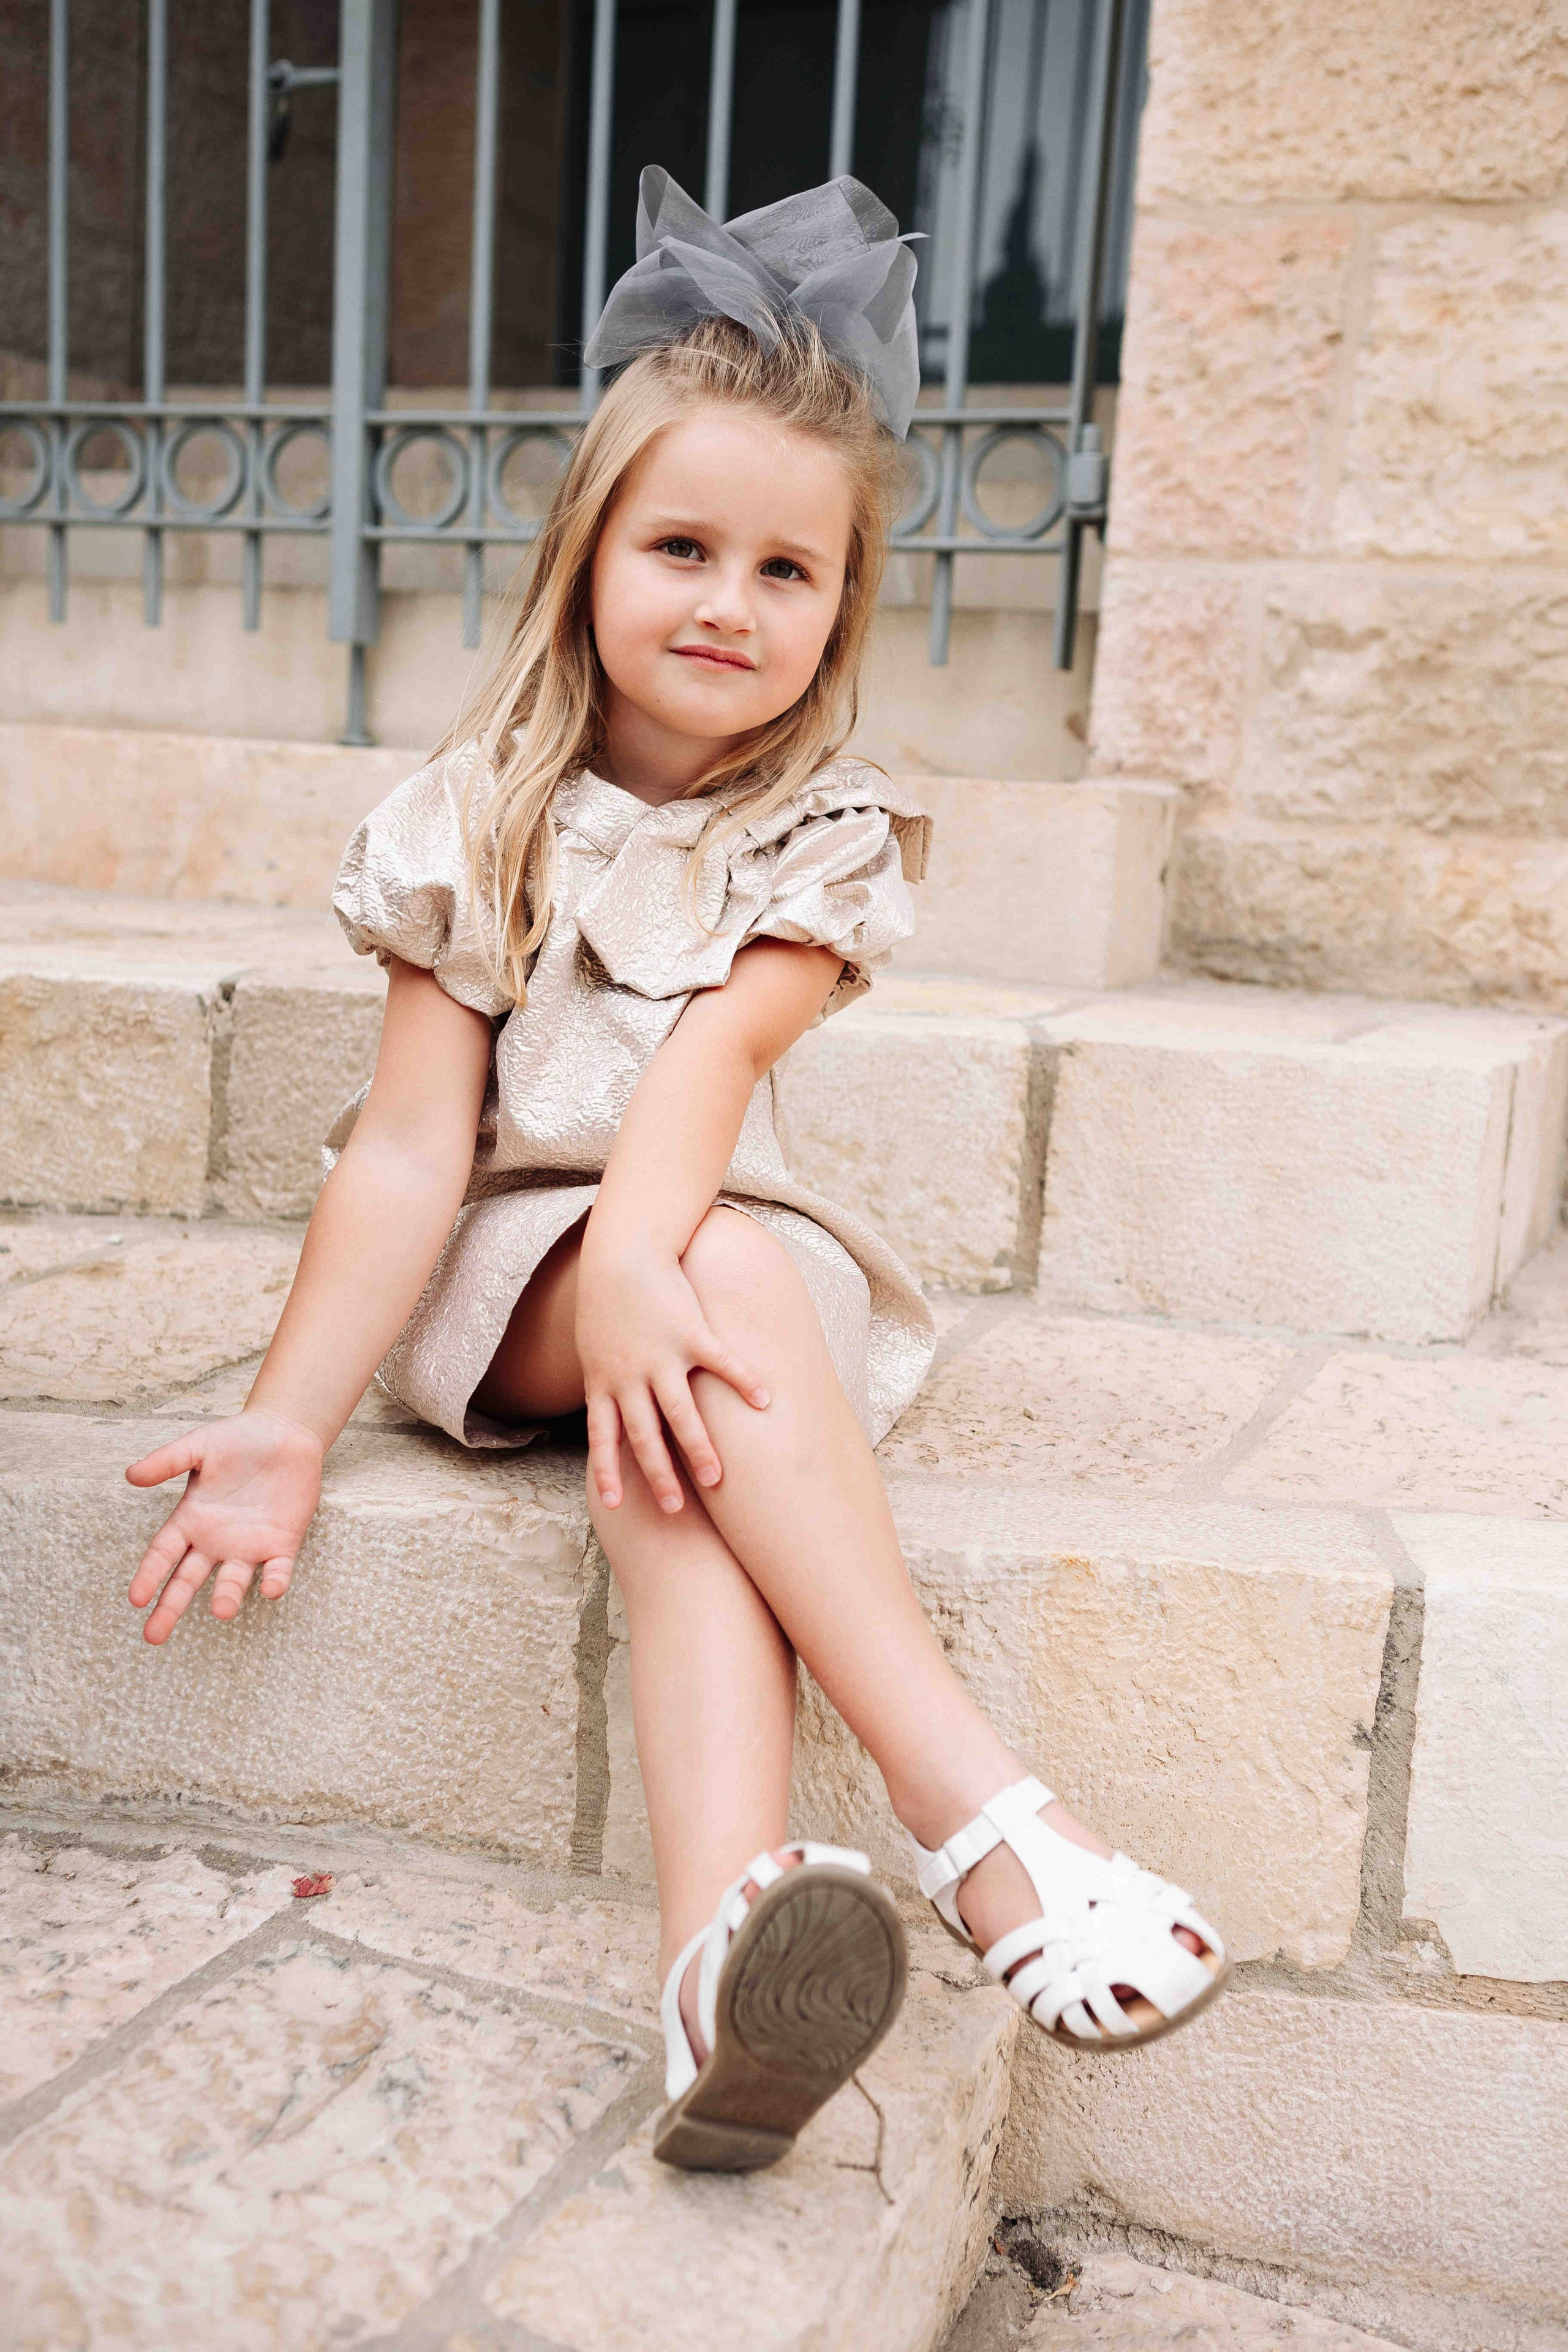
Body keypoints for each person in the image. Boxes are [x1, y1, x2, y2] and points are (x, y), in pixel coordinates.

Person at [123, 169, 1227, 2174]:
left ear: (843, 610)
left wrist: (657, 1266)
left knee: (700, 1390)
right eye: (685, 547)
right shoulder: (483, 818)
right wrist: (288, 1419)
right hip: (527, 1271)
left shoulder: (828, 830)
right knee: (697, 1292)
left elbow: (714, 1061)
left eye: (788, 573)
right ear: (587, 556)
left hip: (721, 1264)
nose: (731, 603)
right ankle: (983, 1819)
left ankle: (719, 1948)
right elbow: (403, 1147)